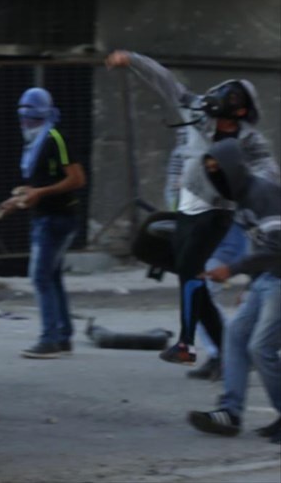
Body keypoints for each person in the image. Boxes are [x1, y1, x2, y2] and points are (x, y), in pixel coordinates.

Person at [106, 50, 278, 367]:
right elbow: (165, 80)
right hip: (186, 208)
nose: (220, 118)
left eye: (231, 107)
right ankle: (225, 353)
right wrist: (131, 59)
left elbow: (269, 175)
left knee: (191, 275)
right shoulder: (199, 109)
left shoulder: (250, 140)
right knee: (189, 277)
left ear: (241, 112)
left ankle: (190, 345)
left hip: (218, 213)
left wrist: (248, 192)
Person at [186, 139, 280, 444]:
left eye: (219, 171)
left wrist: (233, 269)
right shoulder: (242, 201)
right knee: (236, 335)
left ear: (234, 169)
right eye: (211, 172)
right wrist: (251, 285)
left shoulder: (262, 193)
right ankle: (229, 412)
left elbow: (277, 248)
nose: (216, 178)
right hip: (267, 279)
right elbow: (263, 247)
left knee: (261, 348)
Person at [0, 87, 87, 359]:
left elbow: (77, 179)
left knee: (40, 277)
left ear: (44, 116)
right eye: (24, 119)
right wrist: (17, 200)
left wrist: (39, 194)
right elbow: (39, 183)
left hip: (57, 218)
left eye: (32, 119)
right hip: (46, 217)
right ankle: (63, 336)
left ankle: (49, 338)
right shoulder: (34, 144)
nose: (27, 124)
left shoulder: (55, 138)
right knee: (52, 277)